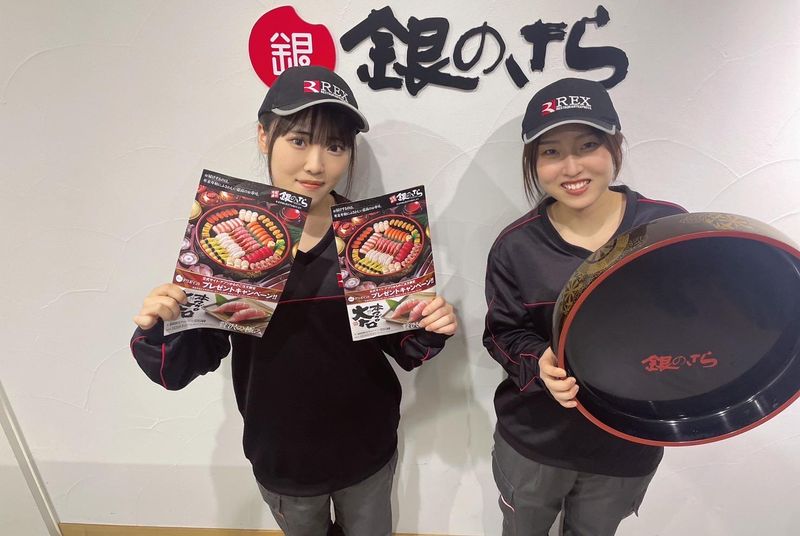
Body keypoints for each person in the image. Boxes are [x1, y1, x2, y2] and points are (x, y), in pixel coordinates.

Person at [131, 65, 458, 536]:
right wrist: (162, 324)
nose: (316, 164)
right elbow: (181, 366)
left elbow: (404, 346)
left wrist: (428, 321)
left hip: (367, 447)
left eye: (335, 146)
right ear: (264, 136)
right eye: (299, 140)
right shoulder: (229, 236)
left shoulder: (366, 234)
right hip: (283, 457)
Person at [483, 77, 686, 535]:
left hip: (627, 443)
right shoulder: (515, 246)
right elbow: (502, 333)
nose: (571, 167)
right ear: (533, 161)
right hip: (536, 441)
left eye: (588, 145)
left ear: (615, 146)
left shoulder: (667, 227)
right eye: (551, 151)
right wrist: (540, 361)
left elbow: (692, 317)